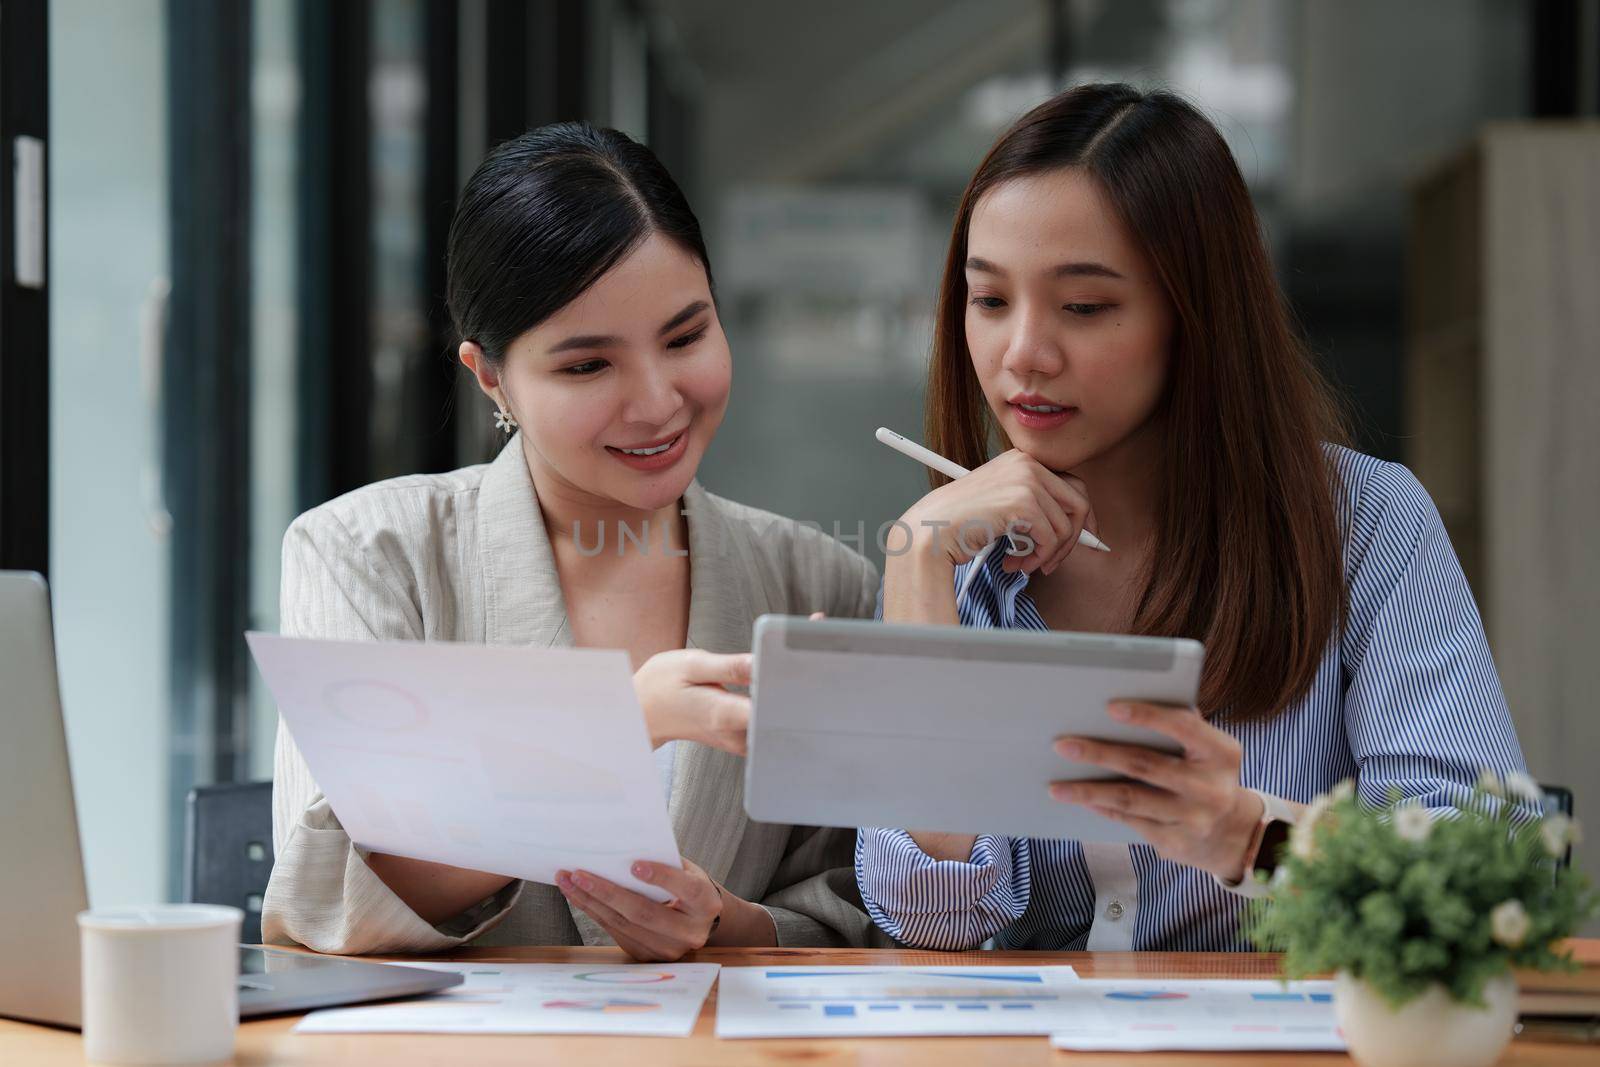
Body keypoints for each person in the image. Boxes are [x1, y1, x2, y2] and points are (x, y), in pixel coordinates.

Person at [855, 84, 1529, 952]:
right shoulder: (947, 558)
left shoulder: (1366, 525)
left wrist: (1250, 836)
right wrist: (917, 581)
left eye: (1084, 306)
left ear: (1197, 316)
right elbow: (927, 916)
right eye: (989, 301)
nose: (1023, 351)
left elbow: (1489, 882)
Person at [263, 122, 879, 961]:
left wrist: (719, 919)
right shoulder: (368, 554)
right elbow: (325, 899)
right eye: (589, 366)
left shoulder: (820, 577)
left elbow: (860, 898)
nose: (658, 401)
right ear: (491, 375)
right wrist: (612, 731)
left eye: (686, 336)